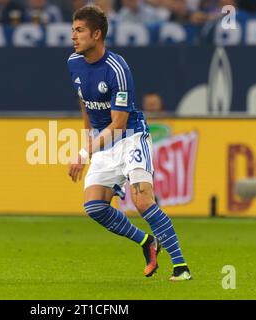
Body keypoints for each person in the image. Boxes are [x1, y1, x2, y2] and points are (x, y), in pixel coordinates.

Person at [67, 4, 191, 281]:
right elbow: (85, 103)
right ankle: (147, 243)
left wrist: (85, 152)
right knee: (94, 207)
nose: (73, 36)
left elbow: (119, 124)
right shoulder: (73, 63)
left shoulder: (117, 68)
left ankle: (181, 267)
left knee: (142, 200)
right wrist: (89, 139)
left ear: (96, 34)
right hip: (103, 141)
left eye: (79, 30)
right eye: (73, 30)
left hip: (130, 137)